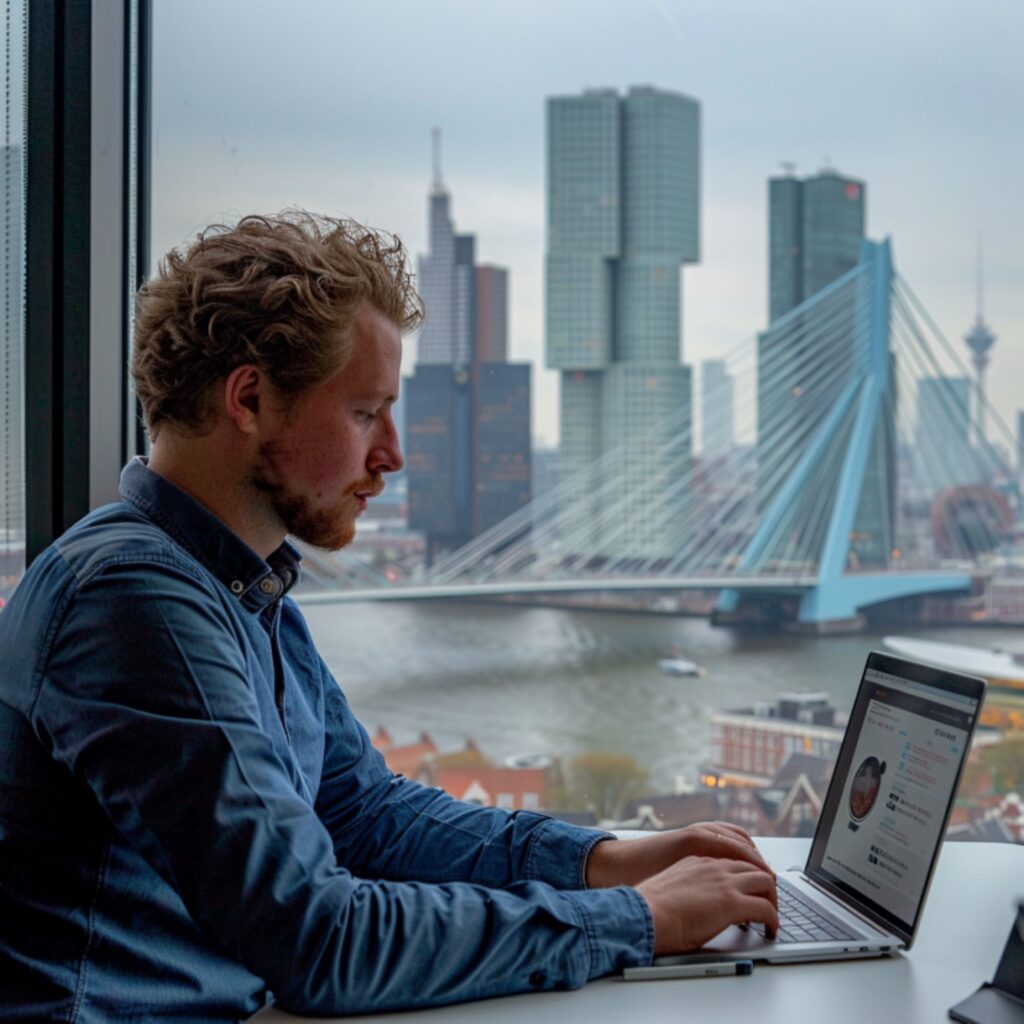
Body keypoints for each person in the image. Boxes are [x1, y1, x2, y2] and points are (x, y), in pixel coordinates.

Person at [0, 211, 777, 1023]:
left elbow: (367, 817)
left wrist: (605, 861)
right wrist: (642, 920)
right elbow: (321, 942)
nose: (395, 454)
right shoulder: (131, 602)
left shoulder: (239, 589)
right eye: (367, 412)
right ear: (251, 398)